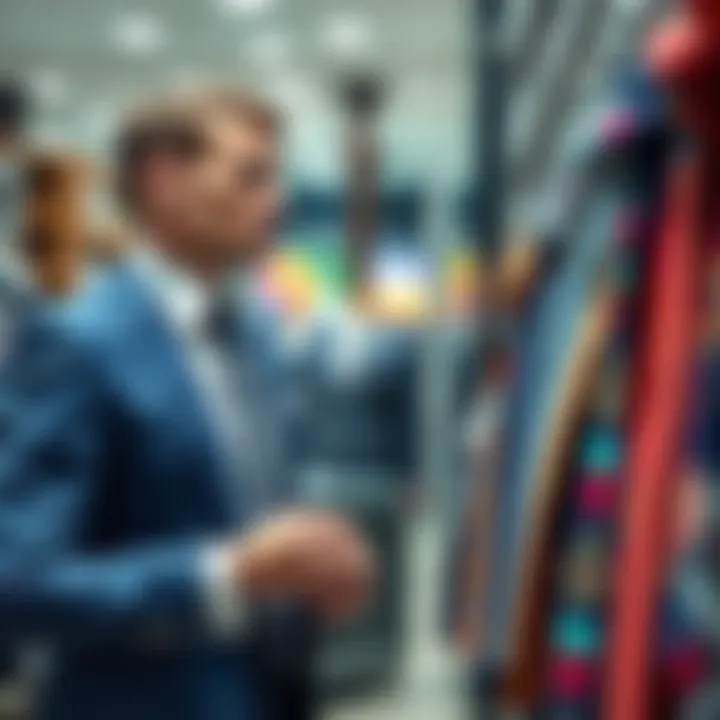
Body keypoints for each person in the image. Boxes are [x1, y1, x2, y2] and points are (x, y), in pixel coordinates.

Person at [0, 87, 374, 720]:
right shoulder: (81, 343)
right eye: (250, 176)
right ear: (164, 183)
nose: (277, 201)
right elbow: (19, 580)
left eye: (277, 176)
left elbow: (250, 503)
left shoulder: (254, 331)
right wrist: (222, 575)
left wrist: (313, 564)